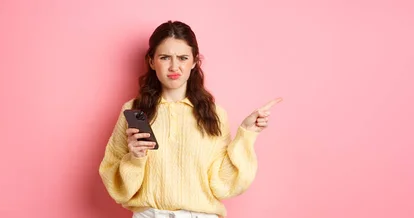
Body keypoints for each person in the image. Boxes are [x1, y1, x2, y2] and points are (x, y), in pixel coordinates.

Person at [98, 20, 282, 218]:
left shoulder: (214, 114)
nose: (174, 66)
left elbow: (222, 182)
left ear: (194, 62)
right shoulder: (133, 110)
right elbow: (114, 180)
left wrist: (246, 134)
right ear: (152, 61)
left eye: (183, 58)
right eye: (165, 57)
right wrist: (135, 158)